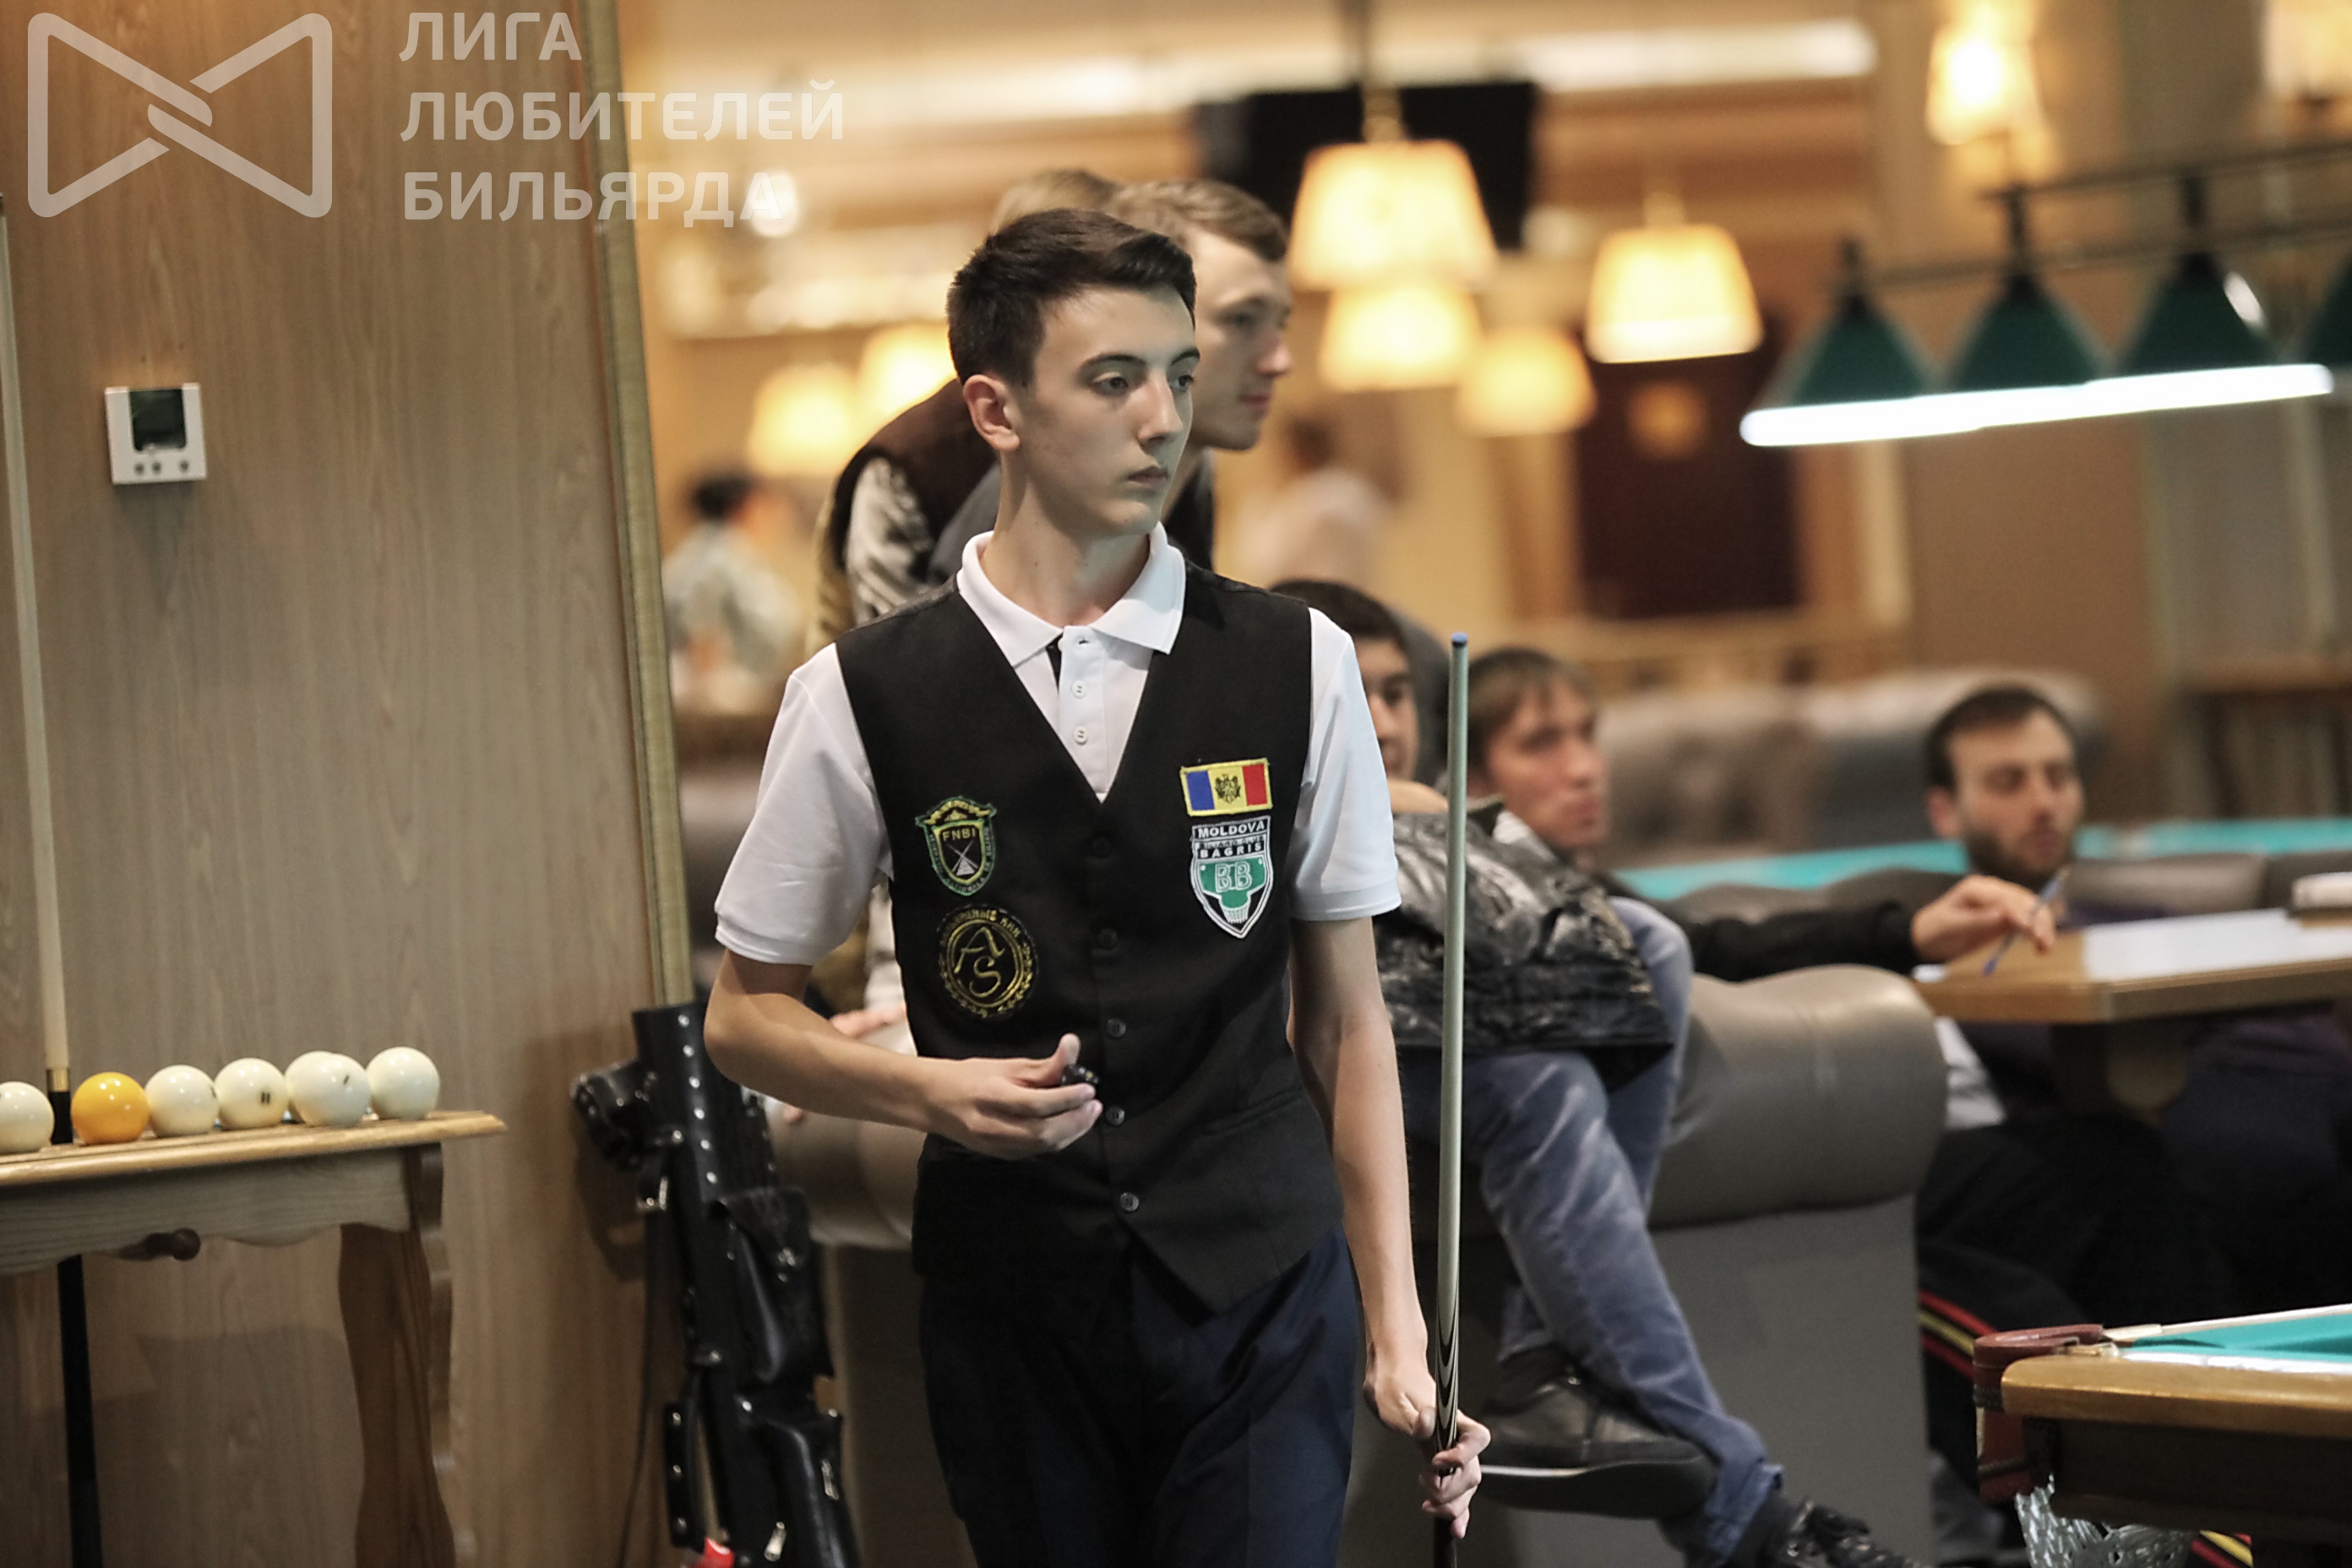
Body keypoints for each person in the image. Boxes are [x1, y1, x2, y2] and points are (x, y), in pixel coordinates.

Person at [705, 211, 1483, 1567]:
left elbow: (1346, 1021)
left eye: (1178, 376)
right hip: (1015, 1305)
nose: (1162, 420)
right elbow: (743, 1017)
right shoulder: (858, 695)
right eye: (1113, 379)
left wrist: (1401, 1329)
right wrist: (927, 1092)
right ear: (995, 410)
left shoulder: (1297, 661)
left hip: (1260, 1285)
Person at [1277, 580, 1929, 1568]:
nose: (1383, 718)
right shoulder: (1270, 807)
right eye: (1353, 693)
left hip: (1454, 1042)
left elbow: (1692, 937)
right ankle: (1745, 1511)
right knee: (1542, 1081)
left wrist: (1901, 930)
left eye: (1397, 692)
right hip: (1325, 1060)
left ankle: (1547, 1356)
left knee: (1651, 943)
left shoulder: (1470, 836)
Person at [663, 470, 803, 699]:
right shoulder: (717, 557)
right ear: (745, 505)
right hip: (723, 697)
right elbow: (701, 633)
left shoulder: (730, 553)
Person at [1239, 415, 1390, 588]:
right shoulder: (1354, 490)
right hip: (1355, 592)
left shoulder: (1309, 499)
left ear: (1297, 453)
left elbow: (1267, 561)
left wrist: (1258, 510)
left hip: (1319, 596)